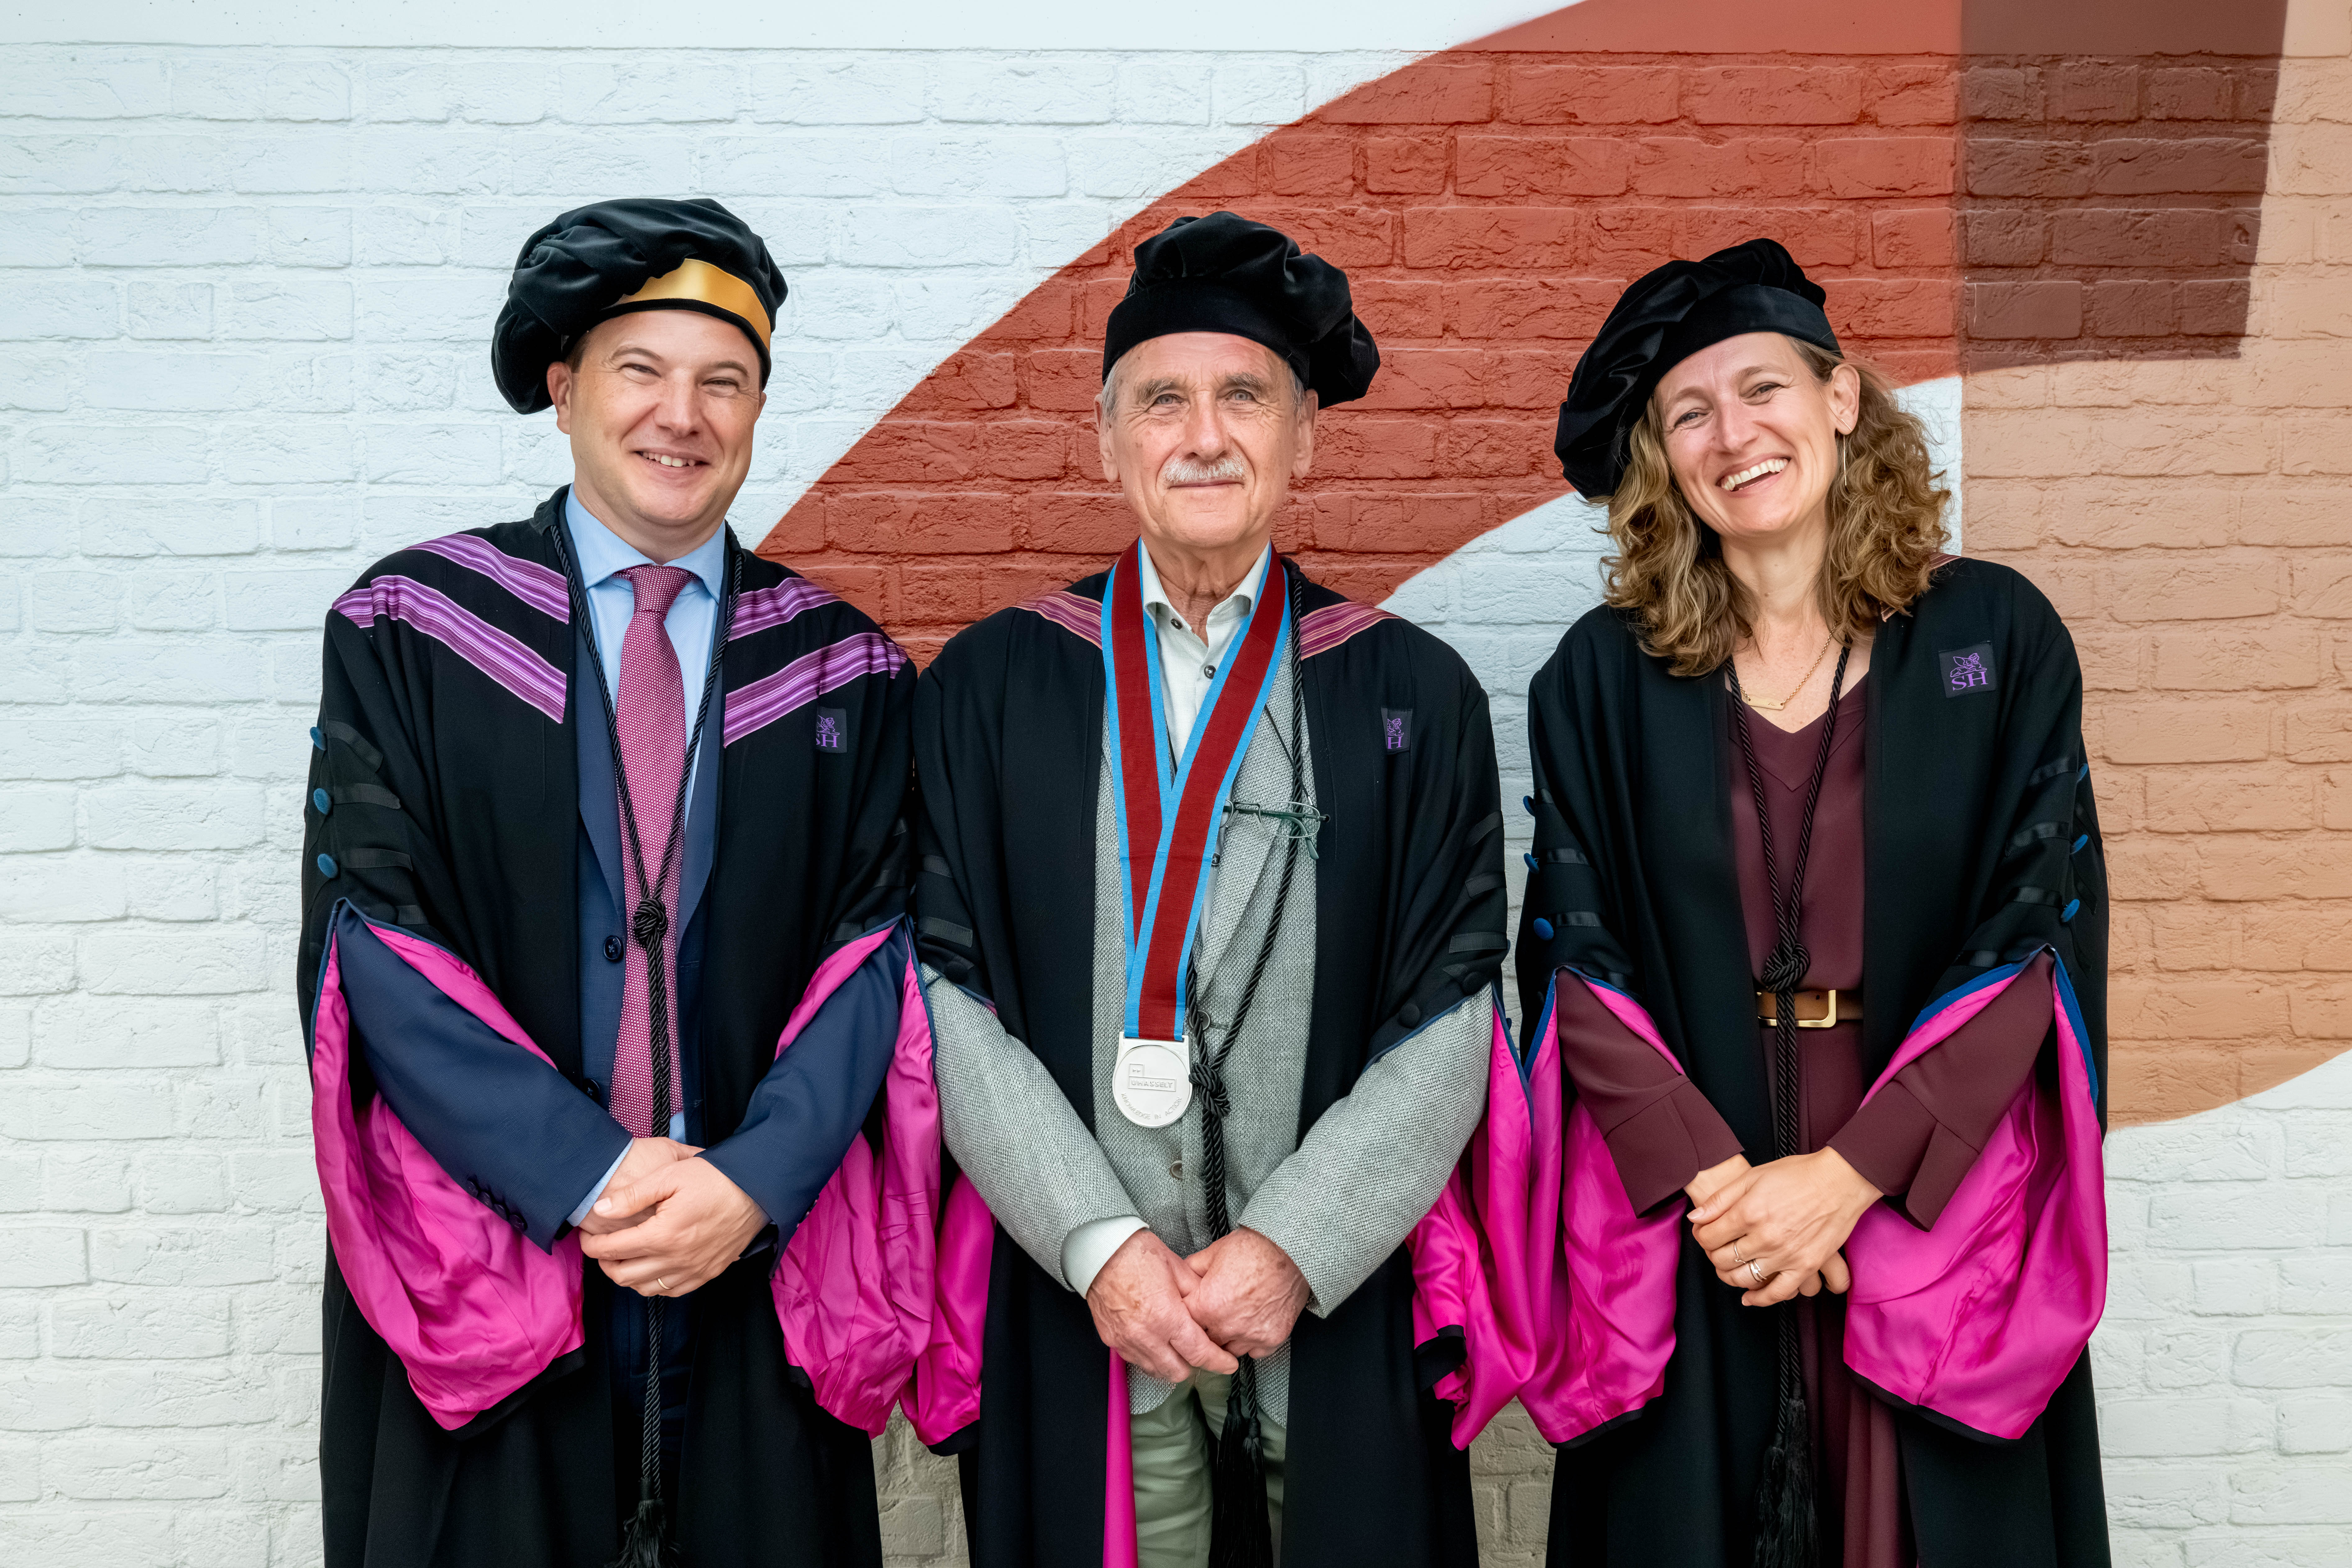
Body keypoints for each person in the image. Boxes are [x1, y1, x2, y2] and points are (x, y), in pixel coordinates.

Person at [297, 197, 923, 1568]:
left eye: (725, 380)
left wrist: (751, 1182)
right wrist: (588, 1173)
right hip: (501, 1243)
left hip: (751, 1256)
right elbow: (374, 947)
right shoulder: (414, 629)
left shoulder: (843, 666)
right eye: (640, 370)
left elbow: (877, 954)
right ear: (567, 388)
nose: (680, 415)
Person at [909, 211, 1507, 1568]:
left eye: (1245, 396)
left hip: (1328, 1288)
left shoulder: (1410, 691)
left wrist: (1295, 1243)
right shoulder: (993, 686)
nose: (1204, 434)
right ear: (1107, 442)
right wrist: (1098, 1240)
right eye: (1162, 401)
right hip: (1090, 1296)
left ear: (1305, 438)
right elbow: (944, 990)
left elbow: (1454, 1009)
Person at [1516, 239, 2111, 1568]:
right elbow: (1571, 949)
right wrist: (1728, 1190)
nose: (1736, 434)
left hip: (1922, 1187)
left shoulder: (1993, 640)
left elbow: (2035, 931)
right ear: (1663, 458)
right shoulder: (1601, 681)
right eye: (1690, 412)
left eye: (1764, 388)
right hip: (1701, 1202)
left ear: (1841, 399)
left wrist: (1846, 1179)